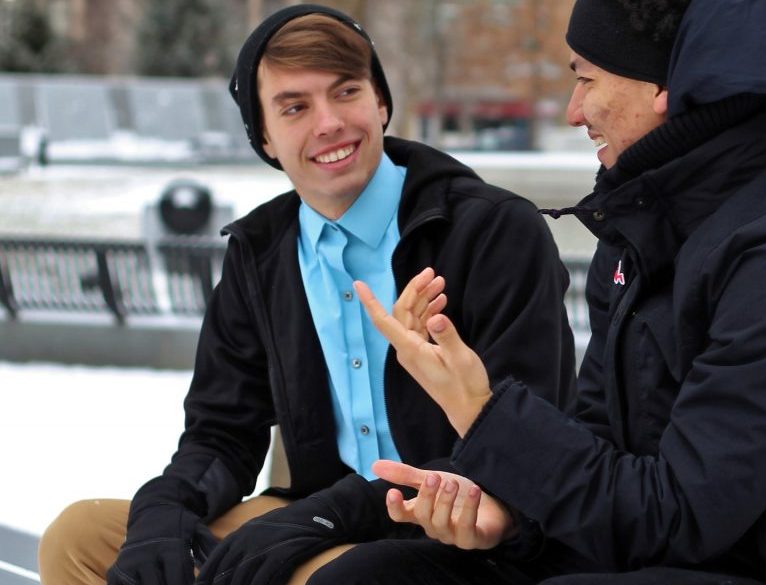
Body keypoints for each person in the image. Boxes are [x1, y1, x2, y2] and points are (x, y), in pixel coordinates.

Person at [358, 0, 766, 584]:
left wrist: (482, 411)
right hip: (706, 554)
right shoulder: (651, 224)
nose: (575, 110)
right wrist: (512, 513)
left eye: (588, 79)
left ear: (663, 86)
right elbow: (605, 447)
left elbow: (677, 516)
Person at [37, 4, 578, 585]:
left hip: (453, 527)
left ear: (381, 102)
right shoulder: (262, 253)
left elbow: (527, 440)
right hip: (315, 514)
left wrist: (323, 516)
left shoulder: (490, 232)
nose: (328, 123)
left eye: (345, 92)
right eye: (294, 107)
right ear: (264, 137)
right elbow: (222, 432)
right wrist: (163, 515)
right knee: (80, 538)